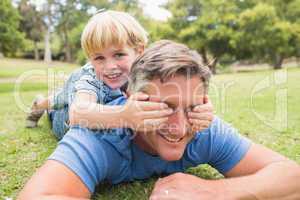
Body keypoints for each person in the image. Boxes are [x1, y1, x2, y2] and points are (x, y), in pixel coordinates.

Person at [19, 40, 300, 200]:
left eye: (191, 106)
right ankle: (43, 102)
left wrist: (213, 191)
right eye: (163, 107)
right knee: (58, 105)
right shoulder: (100, 134)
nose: (179, 127)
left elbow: (292, 176)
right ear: (131, 97)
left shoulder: (202, 126)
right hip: (67, 114)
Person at [26, 10, 213, 140]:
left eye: (119, 54)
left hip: (99, 106)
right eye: (99, 57)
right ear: (90, 60)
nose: (110, 66)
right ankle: (41, 104)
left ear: (139, 50)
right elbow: (78, 112)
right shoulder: (92, 78)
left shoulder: (146, 71)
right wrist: (125, 115)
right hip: (66, 118)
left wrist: (200, 108)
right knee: (59, 101)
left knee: (66, 95)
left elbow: (179, 89)